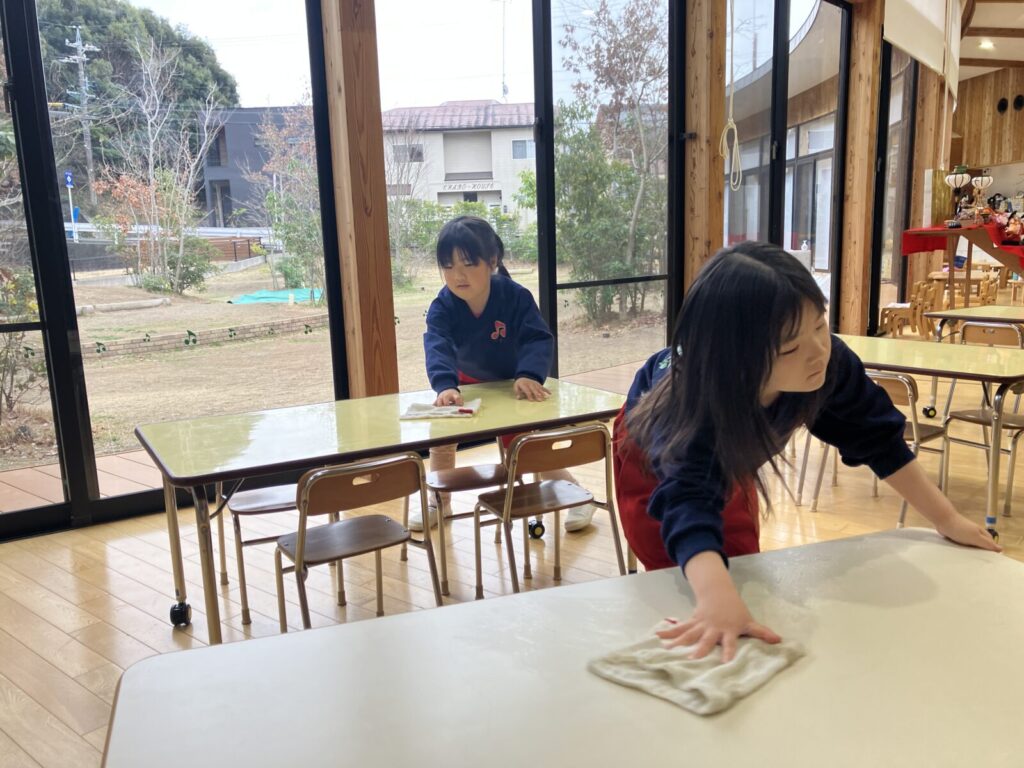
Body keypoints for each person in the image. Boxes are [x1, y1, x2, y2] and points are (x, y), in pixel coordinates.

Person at [613, 241, 1002, 663]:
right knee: (683, 576)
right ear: (738, 360)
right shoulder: (696, 404)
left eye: (820, 325)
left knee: (740, 563)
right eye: (790, 348)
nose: (817, 351)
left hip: (732, 448)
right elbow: (686, 500)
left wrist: (947, 518)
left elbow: (879, 440)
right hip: (649, 458)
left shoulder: (827, 361)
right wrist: (715, 599)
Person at [413, 215, 596, 533]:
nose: (458, 275)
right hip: (464, 383)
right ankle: (438, 502)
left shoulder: (515, 296)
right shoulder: (443, 306)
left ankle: (579, 496)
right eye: (448, 266)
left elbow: (537, 338)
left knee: (525, 448)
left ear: (492, 261)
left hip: (512, 382)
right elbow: (437, 344)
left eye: (468, 264)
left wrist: (529, 374)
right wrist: (445, 385)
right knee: (442, 439)